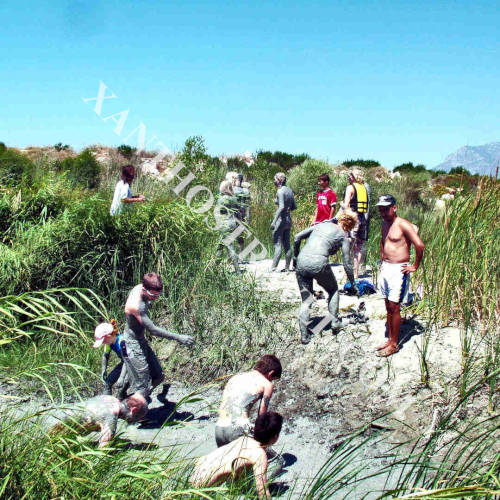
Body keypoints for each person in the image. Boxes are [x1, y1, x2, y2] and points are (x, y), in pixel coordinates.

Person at [117, 273, 194, 400]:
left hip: (140, 340)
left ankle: (134, 396)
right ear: (144, 289)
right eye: (153, 295)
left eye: (158, 295)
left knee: (158, 376)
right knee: (142, 385)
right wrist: (179, 337)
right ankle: (133, 408)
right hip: (132, 343)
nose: (155, 298)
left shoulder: (140, 288)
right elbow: (153, 330)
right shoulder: (137, 306)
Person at [293, 210, 359, 344]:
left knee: (307, 300)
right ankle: (334, 322)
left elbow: (297, 237)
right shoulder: (343, 237)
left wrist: (295, 257)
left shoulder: (320, 225)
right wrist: (353, 284)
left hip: (302, 260)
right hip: (319, 263)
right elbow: (347, 263)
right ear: (350, 226)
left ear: (340, 219)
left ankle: (305, 336)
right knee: (333, 290)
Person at [191, 412, 283, 499]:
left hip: (193, 477)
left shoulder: (243, 439)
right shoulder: (260, 455)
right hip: (203, 490)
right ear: (275, 437)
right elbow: (262, 492)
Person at [376, 195, 425, 357]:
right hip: (386, 268)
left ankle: (395, 344)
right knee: (387, 306)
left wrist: (415, 266)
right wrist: (382, 259)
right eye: (381, 209)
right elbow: (383, 242)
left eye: (386, 209)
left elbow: (419, 245)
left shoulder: (403, 224)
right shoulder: (384, 223)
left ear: (394, 207)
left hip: (399, 269)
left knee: (395, 307)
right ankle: (390, 340)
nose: (383, 212)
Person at [215, 355, 282, 447]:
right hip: (238, 428)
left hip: (219, 428)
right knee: (261, 456)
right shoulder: (267, 384)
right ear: (271, 373)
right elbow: (262, 417)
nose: (271, 381)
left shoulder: (236, 377)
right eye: (272, 379)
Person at [49, 393, 147, 447]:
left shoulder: (109, 398)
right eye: (136, 418)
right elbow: (103, 447)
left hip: (55, 413)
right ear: (133, 411)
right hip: (55, 429)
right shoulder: (111, 417)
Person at [342, 168, 371, 277]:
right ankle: (356, 272)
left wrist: (342, 205)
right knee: (358, 246)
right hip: (363, 218)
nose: (348, 178)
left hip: (353, 218)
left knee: (348, 245)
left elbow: (346, 205)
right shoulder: (364, 187)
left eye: (349, 176)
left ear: (353, 176)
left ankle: (347, 273)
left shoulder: (350, 187)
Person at [270, 172, 297, 272]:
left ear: (279, 180)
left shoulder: (280, 191)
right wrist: (287, 207)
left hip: (281, 220)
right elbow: (294, 206)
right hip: (288, 219)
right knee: (287, 244)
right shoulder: (289, 190)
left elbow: (281, 207)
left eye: (275, 179)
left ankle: (273, 267)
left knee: (277, 244)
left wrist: (274, 221)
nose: (274, 181)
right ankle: (287, 267)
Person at [93, 320, 127, 396]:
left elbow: (127, 360)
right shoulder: (109, 343)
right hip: (124, 363)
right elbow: (105, 355)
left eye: (103, 341)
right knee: (107, 384)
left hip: (132, 365)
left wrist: (122, 377)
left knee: (121, 388)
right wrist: (103, 370)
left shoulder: (121, 342)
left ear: (108, 336)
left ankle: (123, 399)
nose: (102, 343)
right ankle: (108, 405)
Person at [215, 180, 241, 273]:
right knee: (221, 246)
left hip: (224, 223)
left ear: (223, 188)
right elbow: (238, 213)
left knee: (229, 247)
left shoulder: (221, 199)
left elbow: (217, 213)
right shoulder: (234, 198)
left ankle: (237, 270)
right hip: (232, 223)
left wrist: (217, 225)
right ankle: (214, 268)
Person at [232, 173, 251, 256]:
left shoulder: (232, 189)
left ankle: (233, 256)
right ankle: (240, 256)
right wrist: (248, 217)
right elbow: (248, 206)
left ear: (238, 180)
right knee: (240, 235)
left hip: (234, 214)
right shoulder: (246, 190)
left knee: (234, 235)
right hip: (242, 214)